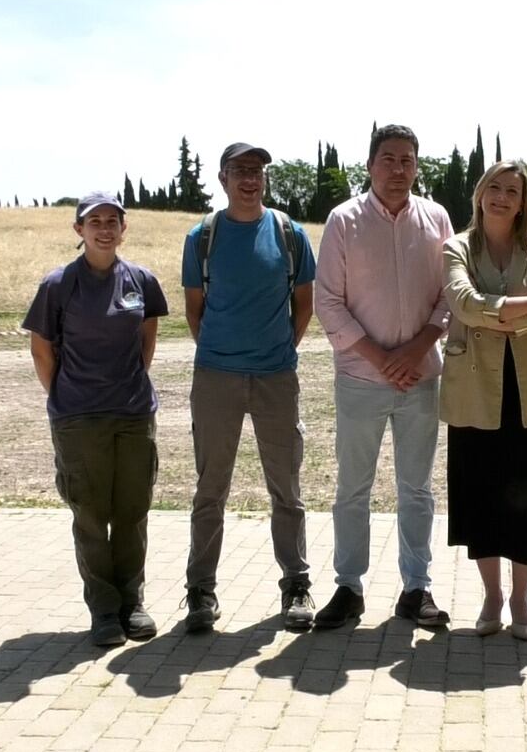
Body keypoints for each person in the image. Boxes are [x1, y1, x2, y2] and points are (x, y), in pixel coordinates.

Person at [313, 124, 454, 629]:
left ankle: (417, 588)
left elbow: (448, 294)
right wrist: (379, 358)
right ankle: (348, 587)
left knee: (416, 488)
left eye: (408, 161)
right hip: (360, 379)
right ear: (371, 166)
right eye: (389, 159)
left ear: (417, 168)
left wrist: (418, 349)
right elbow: (326, 300)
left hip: (421, 379)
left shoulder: (436, 218)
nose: (399, 170)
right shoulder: (343, 221)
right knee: (354, 488)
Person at [179, 142, 318, 633]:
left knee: (287, 487)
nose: (250, 178)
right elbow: (195, 310)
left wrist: (280, 350)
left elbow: (304, 303)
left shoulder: (288, 233)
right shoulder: (203, 237)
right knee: (210, 489)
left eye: (257, 171)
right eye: (240, 170)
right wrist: (224, 354)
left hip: (276, 376)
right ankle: (200, 592)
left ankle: (296, 586)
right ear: (222, 178)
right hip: (216, 377)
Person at [23, 191, 169, 647]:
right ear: (79, 230)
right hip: (78, 416)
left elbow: (146, 339)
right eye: (95, 222)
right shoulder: (58, 285)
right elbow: (41, 348)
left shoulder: (141, 280)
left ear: (124, 229)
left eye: (113, 221)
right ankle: (104, 611)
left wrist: (128, 384)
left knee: (132, 511)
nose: (104, 229)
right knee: (89, 514)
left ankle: (132, 604)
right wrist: (65, 396)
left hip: (132, 414)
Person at [438, 161, 527, 641]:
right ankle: (492, 595)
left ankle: (520, 598)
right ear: (480, 193)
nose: (502, 197)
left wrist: (500, 315)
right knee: (479, 493)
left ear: (523, 200)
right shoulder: (456, 246)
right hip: (474, 390)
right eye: (495, 187)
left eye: (513, 190)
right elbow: (461, 303)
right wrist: (526, 306)